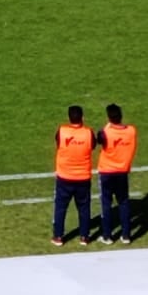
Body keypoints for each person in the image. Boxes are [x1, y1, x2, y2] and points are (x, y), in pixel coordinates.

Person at [52, 104, 95, 245]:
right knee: (84, 208)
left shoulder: (62, 131)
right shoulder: (88, 133)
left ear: (68, 118)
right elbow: (93, 146)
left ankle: (58, 236)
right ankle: (84, 236)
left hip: (64, 177)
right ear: (82, 117)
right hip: (83, 177)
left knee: (61, 207)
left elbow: (58, 142)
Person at [96, 104, 137, 244]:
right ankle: (126, 235)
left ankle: (107, 235)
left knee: (106, 203)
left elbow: (99, 139)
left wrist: (107, 126)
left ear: (108, 118)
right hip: (122, 172)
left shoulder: (105, 132)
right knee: (123, 202)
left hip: (106, 172)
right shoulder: (131, 131)